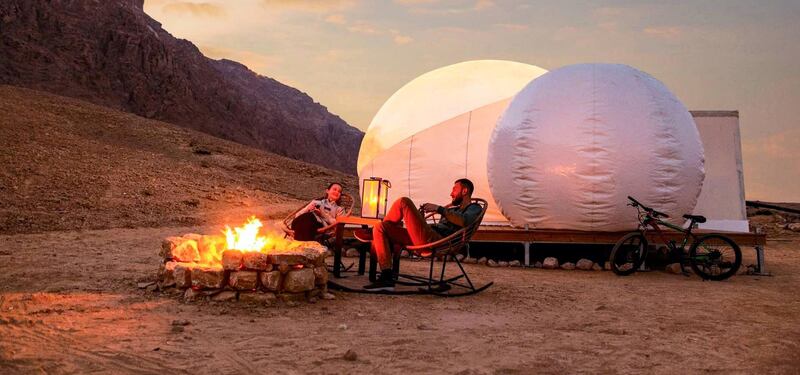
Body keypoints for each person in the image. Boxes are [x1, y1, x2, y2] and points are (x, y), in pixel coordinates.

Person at [361, 178, 482, 291]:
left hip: (438, 241)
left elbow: (464, 221)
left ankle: (372, 234)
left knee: (404, 201)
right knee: (380, 227)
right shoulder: (452, 209)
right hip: (427, 236)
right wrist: (420, 220)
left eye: (454, 190)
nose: (451, 193)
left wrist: (439, 209)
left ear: (465, 191)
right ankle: (386, 277)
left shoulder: (474, 208)